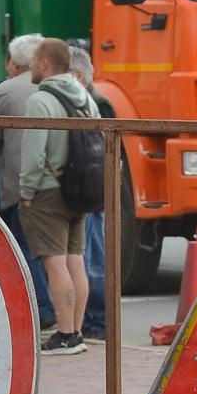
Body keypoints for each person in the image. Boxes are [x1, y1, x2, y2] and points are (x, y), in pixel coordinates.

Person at [16, 40, 97, 354]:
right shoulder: (84, 96)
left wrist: (26, 192)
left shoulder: (41, 100)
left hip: (50, 190)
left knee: (55, 263)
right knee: (76, 260)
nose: (32, 67)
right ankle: (76, 331)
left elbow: (34, 155)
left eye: (35, 60)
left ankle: (64, 334)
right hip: (80, 189)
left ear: (46, 64)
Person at [0, 35, 52, 322]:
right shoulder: (60, 87)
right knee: (62, 252)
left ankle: (42, 310)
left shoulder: (6, 91)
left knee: (23, 248)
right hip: (60, 184)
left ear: (17, 62)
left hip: (20, 185)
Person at [69, 40, 117, 343]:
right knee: (90, 256)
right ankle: (95, 320)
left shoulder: (94, 103)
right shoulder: (96, 101)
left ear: (77, 75)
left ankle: (98, 321)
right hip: (94, 187)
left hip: (92, 189)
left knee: (95, 257)